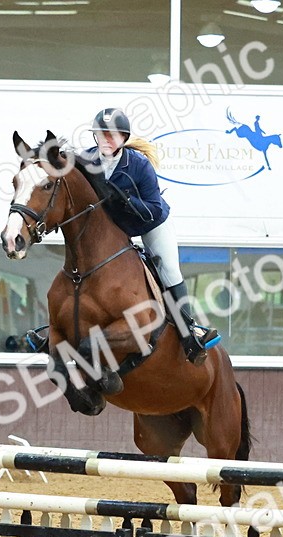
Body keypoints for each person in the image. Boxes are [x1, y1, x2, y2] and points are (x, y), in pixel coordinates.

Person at [81, 108, 220, 366]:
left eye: (112, 135)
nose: (106, 140)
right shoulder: (86, 160)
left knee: (168, 269)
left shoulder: (138, 164)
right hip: (116, 229)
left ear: (123, 138)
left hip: (150, 224)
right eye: (101, 134)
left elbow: (154, 209)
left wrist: (128, 201)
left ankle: (189, 334)